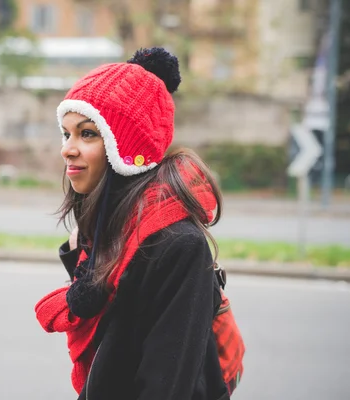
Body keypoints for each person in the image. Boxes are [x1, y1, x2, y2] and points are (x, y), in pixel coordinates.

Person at [35, 47, 238, 400]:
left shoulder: (176, 244)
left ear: (125, 148)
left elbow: (166, 383)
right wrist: (78, 255)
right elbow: (104, 336)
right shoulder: (106, 230)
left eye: (87, 134)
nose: (67, 148)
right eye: (66, 134)